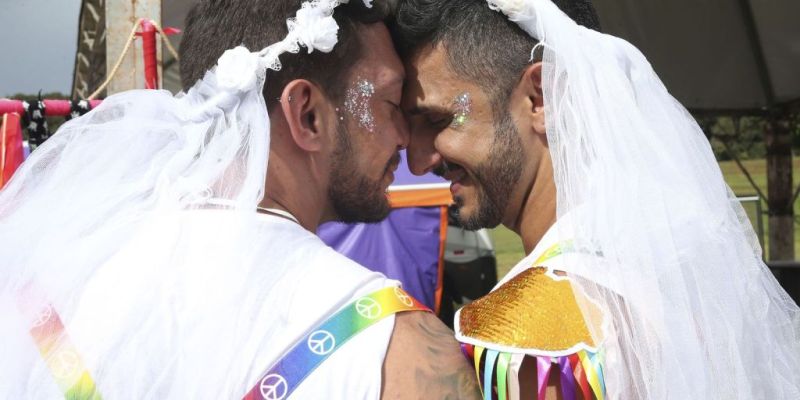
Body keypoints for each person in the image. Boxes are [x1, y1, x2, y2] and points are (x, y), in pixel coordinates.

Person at [0, 0, 479, 398]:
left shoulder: (52, 291)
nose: (406, 141)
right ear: (308, 115)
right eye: (391, 106)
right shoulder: (399, 353)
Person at [392, 0, 800, 399]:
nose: (418, 159)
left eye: (437, 120)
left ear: (540, 97)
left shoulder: (536, 330)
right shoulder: (682, 272)